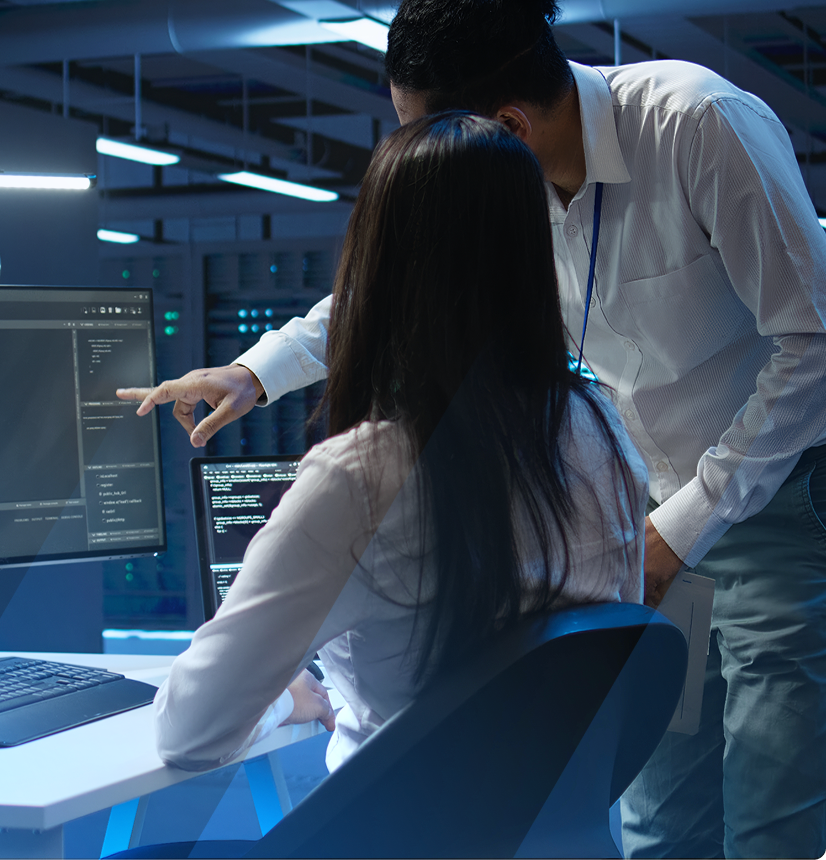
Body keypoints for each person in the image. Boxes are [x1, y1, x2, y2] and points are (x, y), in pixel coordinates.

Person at [123, 0, 826, 859]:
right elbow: (400, 275)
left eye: (426, 139)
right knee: (666, 817)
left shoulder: (698, 124)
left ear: (503, 126)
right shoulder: (511, 186)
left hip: (770, 489)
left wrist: (680, 526)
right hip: (642, 497)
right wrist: (254, 372)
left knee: (775, 814)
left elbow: (815, 341)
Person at [153, 111, 648, 775]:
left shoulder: (362, 480)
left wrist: (290, 699)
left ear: (377, 272)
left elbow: (190, 730)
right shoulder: (603, 432)